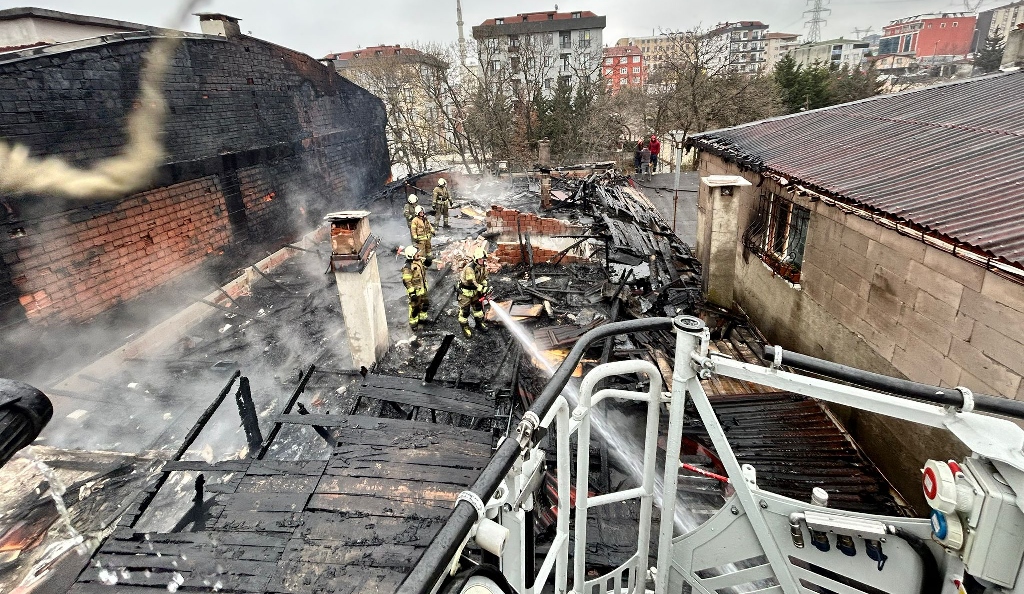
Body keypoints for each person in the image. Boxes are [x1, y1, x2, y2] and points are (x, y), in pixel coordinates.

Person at [458, 248, 489, 338]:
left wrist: (485, 287)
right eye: (480, 259)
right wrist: (482, 289)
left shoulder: (482, 267)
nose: (482, 261)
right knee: (465, 311)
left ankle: (479, 324)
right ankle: (465, 328)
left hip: (475, 292)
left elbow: (484, 278)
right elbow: (472, 282)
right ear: (476, 259)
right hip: (465, 292)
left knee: (478, 308)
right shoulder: (470, 268)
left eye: (483, 259)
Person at [401, 245, 429, 329]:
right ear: (411, 255)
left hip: (423, 288)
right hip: (415, 291)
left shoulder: (419, 261)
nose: (419, 254)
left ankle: (422, 319)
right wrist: (412, 293)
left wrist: (428, 262)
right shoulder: (407, 267)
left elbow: (424, 269)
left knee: (424, 305)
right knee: (415, 308)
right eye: (417, 253)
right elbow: (407, 281)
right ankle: (414, 324)